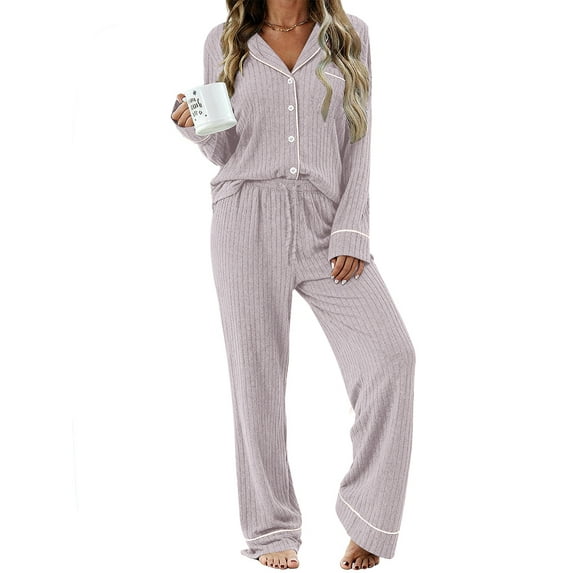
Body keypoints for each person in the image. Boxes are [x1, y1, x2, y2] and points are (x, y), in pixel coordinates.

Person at [170, 0, 416, 569]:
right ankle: (271, 529)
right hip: (245, 216)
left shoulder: (350, 35)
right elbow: (223, 147)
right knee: (255, 376)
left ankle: (370, 516)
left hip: (327, 222)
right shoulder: (224, 39)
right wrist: (193, 125)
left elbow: (359, 138)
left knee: (391, 358)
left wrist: (352, 228)